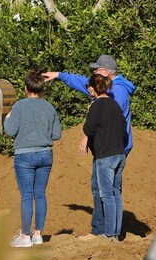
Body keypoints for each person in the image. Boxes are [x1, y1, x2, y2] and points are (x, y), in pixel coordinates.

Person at [42, 55, 135, 238]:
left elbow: (109, 121)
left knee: (106, 192)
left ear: (107, 72)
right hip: (110, 148)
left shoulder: (118, 92)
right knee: (105, 190)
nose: (94, 72)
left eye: (97, 69)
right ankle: (106, 230)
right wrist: (59, 75)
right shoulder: (106, 88)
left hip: (111, 148)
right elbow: (82, 81)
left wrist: (87, 136)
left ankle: (105, 232)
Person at [4, 69, 62, 247]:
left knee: (27, 196)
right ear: (42, 88)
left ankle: (25, 237)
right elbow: (57, 134)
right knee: (40, 194)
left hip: (25, 156)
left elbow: (10, 131)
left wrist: (7, 118)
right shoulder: (49, 107)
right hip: (45, 154)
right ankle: (38, 235)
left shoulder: (19, 106)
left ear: (25, 88)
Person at [83, 74, 127, 240]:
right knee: (116, 194)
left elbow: (88, 130)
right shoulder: (115, 105)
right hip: (119, 154)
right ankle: (115, 233)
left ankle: (108, 233)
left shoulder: (95, 106)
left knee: (106, 195)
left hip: (105, 156)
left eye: (89, 88)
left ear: (93, 88)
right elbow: (124, 128)